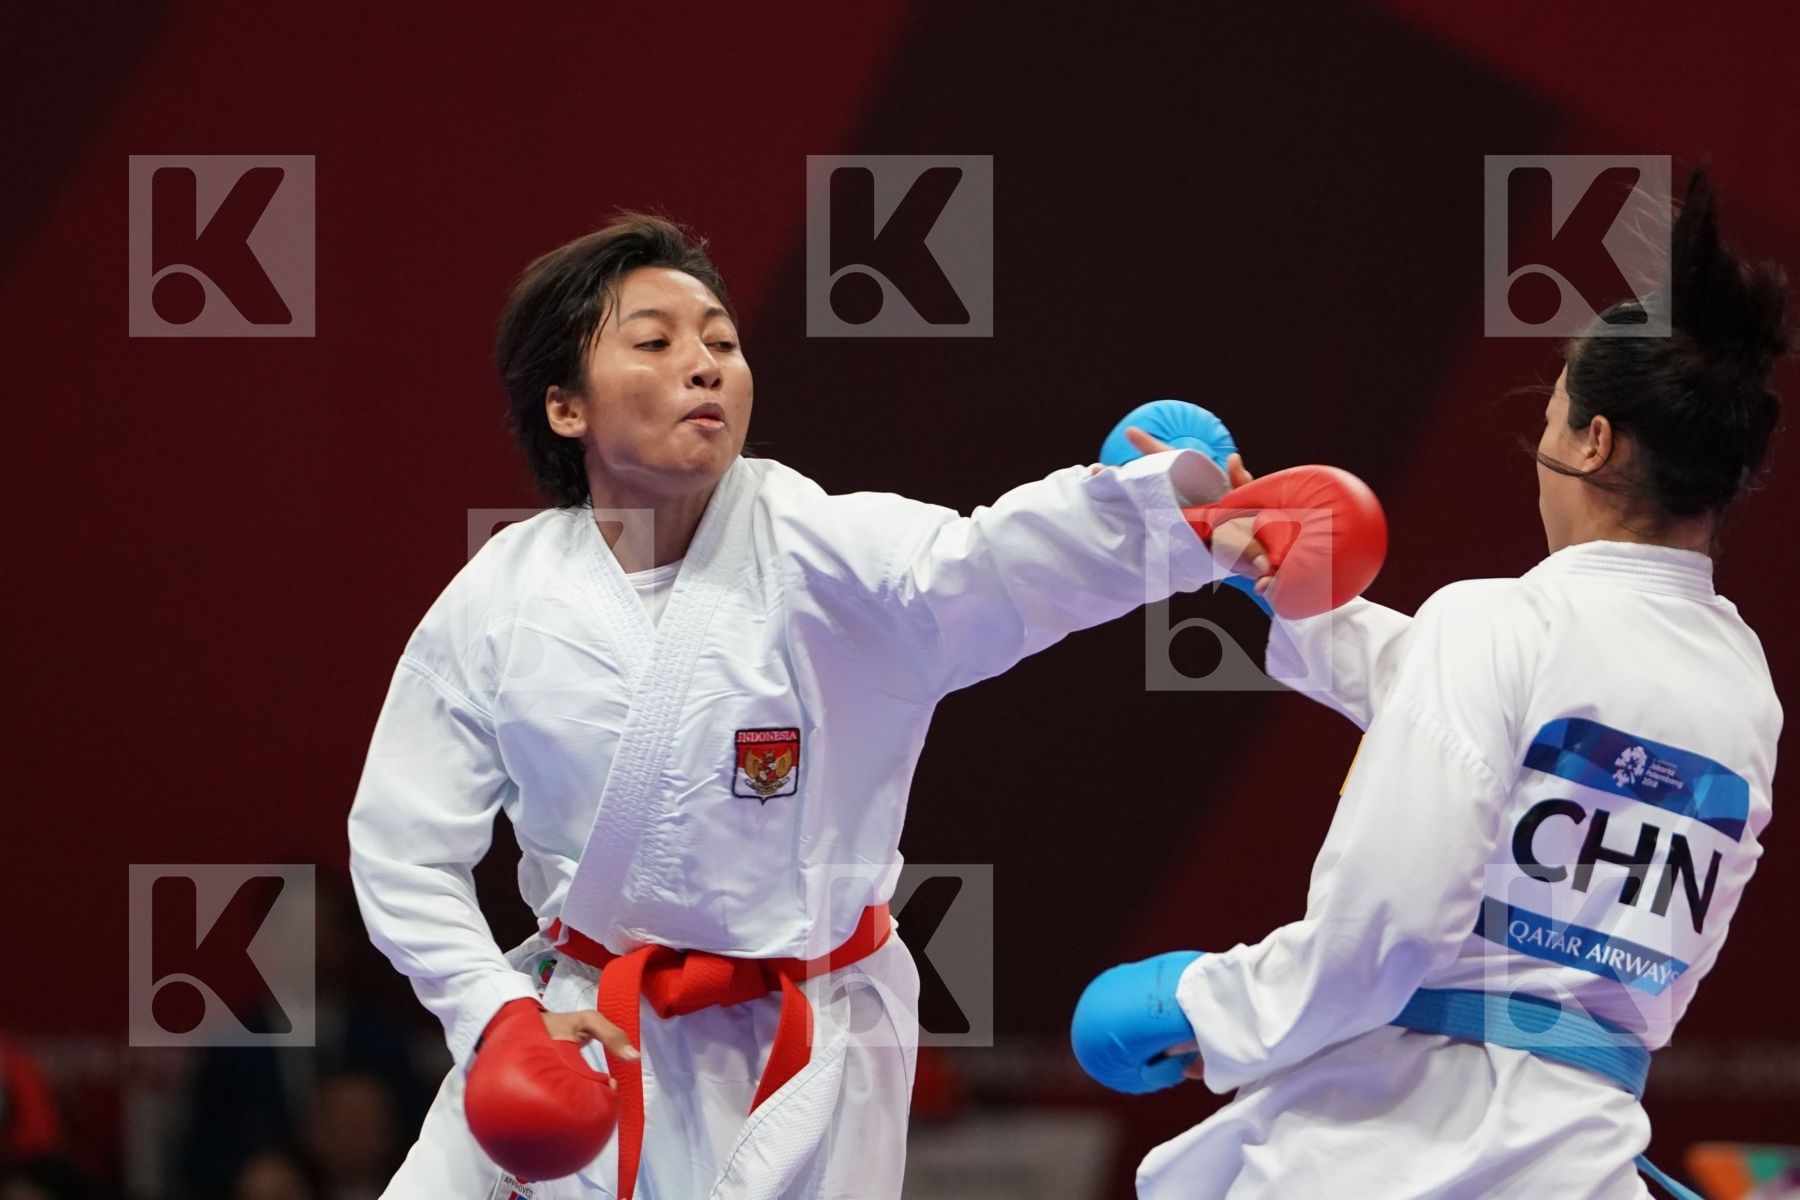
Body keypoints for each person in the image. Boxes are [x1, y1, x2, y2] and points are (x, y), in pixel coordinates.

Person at [347, 212, 1379, 1199]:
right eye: (653, 343)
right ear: (566, 407)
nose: (704, 364)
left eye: (721, 340)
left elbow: (986, 567)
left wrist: (1181, 522)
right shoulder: (501, 599)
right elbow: (401, 846)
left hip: (811, 1045)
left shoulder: (818, 547)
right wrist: (495, 1018)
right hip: (584, 1032)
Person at [1071, 164, 1786, 1198]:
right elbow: (1482, 705)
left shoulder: (1497, 621)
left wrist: (1208, 1005)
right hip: (1578, 1158)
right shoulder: (1740, 686)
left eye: (1549, 418)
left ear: (1594, 439)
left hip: (1399, 1151)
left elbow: (1389, 931)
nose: (1537, 447)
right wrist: (1261, 566)